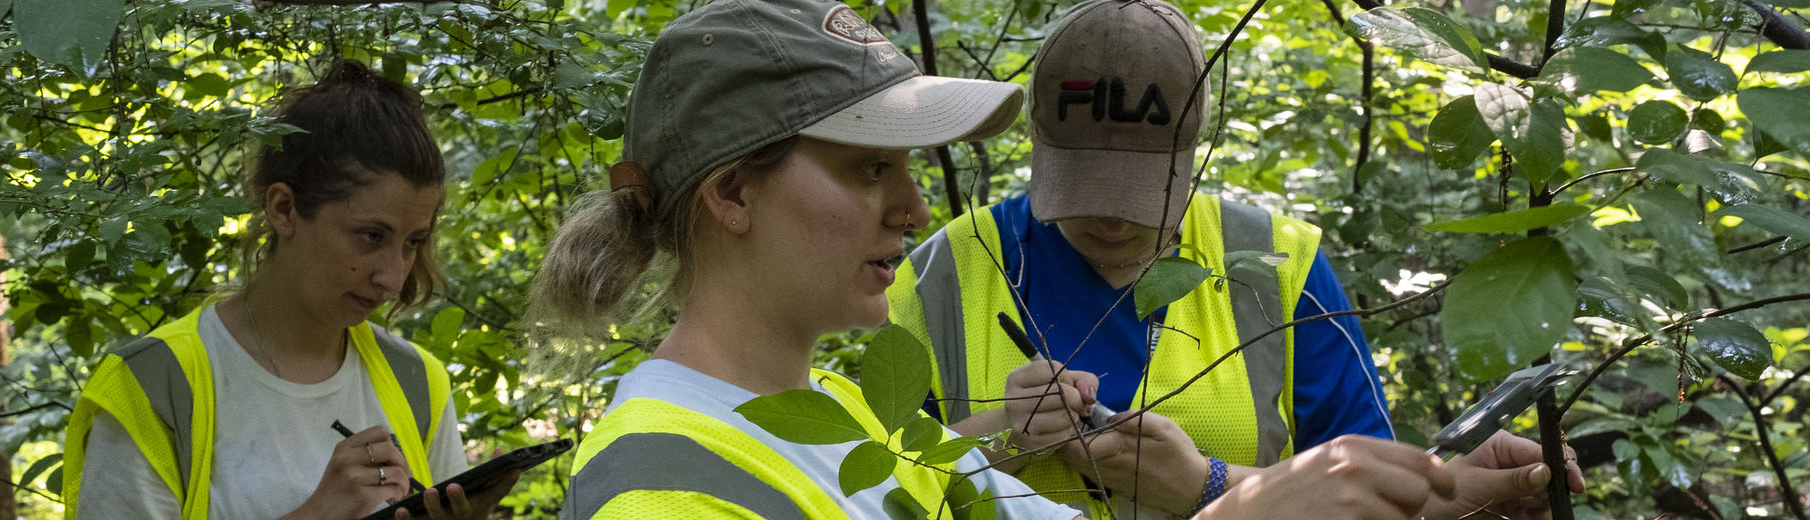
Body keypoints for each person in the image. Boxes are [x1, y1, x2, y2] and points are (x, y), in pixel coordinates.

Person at [529, 0, 1462, 519]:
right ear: (731, 193)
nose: (914, 206)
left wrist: (1462, 490)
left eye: (904, 166)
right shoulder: (664, 487)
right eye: (868, 169)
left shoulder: (847, 422)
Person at [884, 0, 1585, 518]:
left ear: (1194, 151)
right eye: (1086, 182)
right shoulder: (944, 271)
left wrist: (1205, 485)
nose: (1111, 215)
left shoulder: (1277, 264)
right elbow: (861, 490)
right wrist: (997, 438)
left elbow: (1369, 493)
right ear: (1038, 139)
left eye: (1141, 190)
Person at [62, 60, 515, 520]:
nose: (393, 277)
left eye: (412, 242)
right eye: (371, 236)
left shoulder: (417, 380)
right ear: (284, 209)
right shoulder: (153, 386)